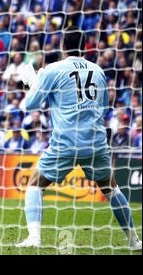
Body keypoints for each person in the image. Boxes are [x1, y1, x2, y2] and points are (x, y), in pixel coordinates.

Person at [15, 26, 141, 250]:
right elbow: (103, 107)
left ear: (64, 46)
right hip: (95, 141)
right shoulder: (98, 70)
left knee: (35, 184)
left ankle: (34, 237)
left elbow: (30, 105)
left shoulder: (54, 69)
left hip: (66, 141)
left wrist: (33, 84)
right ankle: (134, 242)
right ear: (85, 47)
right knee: (112, 189)